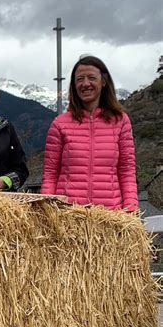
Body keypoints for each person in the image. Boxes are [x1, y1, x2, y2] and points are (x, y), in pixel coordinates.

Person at [41, 55, 138, 211]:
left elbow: (127, 171)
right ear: (74, 85)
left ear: (103, 82)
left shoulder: (121, 121)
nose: (85, 84)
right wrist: (47, 210)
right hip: (68, 216)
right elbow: (50, 174)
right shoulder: (59, 124)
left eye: (91, 77)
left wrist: (131, 207)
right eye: (79, 79)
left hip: (109, 216)